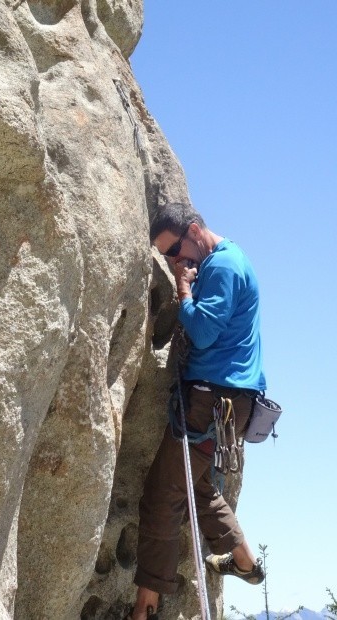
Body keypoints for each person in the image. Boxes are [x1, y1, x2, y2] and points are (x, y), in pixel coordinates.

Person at [127, 203, 267, 620]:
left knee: (162, 494)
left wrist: (183, 288)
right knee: (194, 486)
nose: (174, 262)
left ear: (193, 230)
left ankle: (144, 609)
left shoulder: (223, 266)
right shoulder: (225, 261)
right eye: (169, 257)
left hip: (213, 402)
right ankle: (244, 562)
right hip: (225, 401)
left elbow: (204, 334)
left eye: (174, 251)